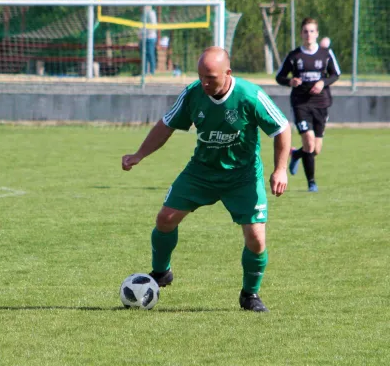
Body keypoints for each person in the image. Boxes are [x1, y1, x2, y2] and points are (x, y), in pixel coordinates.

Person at [122, 46, 290, 312]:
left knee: (256, 239)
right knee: (165, 219)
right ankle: (161, 272)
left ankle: (250, 295)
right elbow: (166, 125)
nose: (205, 82)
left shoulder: (251, 95)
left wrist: (280, 169)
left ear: (228, 73)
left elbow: (282, 128)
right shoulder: (193, 94)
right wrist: (139, 155)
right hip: (201, 171)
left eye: (211, 77)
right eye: (201, 76)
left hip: (242, 176)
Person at [276, 18, 341, 192]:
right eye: (305, 31)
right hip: (301, 104)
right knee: (310, 143)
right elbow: (279, 77)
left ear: (317, 33)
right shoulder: (294, 56)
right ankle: (311, 182)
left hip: (321, 104)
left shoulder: (325, 54)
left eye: (312, 31)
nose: (309, 34)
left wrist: (323, 82)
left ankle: (296, 154)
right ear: (301, 34)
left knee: (315, 149)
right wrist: (291, 81)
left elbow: (336, 74)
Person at [139, 6, 157, 75]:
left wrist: (146, 33)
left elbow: (153, 26)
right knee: (144, 55)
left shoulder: (151, 13)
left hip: (150, 37)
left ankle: (152, 72)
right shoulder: (143, 14)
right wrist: (140, 34)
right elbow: (141, 26)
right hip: (144, 38)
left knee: (150, 54)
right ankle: (145, 72)